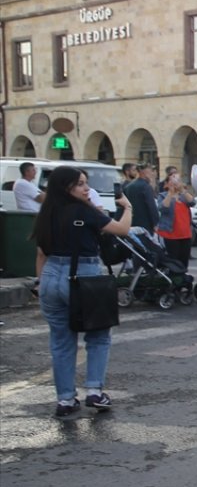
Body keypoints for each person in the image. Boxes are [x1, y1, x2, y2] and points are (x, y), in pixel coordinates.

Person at [33, 166, 134, 417]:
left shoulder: (48, 213)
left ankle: (66, 399)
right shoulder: (85, 211)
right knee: (98, 336)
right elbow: (122, 230)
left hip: (50, 277)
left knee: (61, 342)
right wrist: (128, 208)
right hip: (83, 275)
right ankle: (94, 391)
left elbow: (41, 253)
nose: (86, 188)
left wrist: (42, 285)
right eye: (80, 183)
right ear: (66, 187)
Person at [156, 172, 196, 271]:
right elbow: (162, 208)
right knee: (174, 261)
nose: (175, 182)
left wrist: (182, 190)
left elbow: (192, 202)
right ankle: (174, 280)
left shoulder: (183, 196)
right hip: (171, 234)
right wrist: (170, 193)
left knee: (184, 261)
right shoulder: (163, 195)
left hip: (185, 234)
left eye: (177, 180)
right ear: (166, 183)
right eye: (172, 180)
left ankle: (182, 279)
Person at [124, 163, 161, 234]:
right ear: (143, 172)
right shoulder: (145, 187)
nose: (152, 173)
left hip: (131, 223)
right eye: (150, 170)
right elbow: (151, 206)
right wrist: (156, 223)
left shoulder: (128, 186)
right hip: (145, 225)